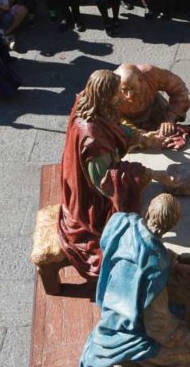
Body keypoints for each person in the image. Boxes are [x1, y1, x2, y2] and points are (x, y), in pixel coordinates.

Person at [79, 194, 190, 367]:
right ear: (172, 226)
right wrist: (187, 339)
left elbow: (131, 248)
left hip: (112, 303)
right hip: (130, 330)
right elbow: (156, 324)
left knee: (185, 296)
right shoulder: (155, 266)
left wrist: (173, 263)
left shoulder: (122, 222)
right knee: (186, 356)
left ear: (148, 212)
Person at [58, 69, 157, 280]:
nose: (120, 96)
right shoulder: (92, 138)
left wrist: (141, 137)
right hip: (91, 199)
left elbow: (113, 125)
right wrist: (139, 174)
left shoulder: (90, 101)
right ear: (105, 95)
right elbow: (103, 183)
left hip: (94, 174)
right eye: (116, 93)